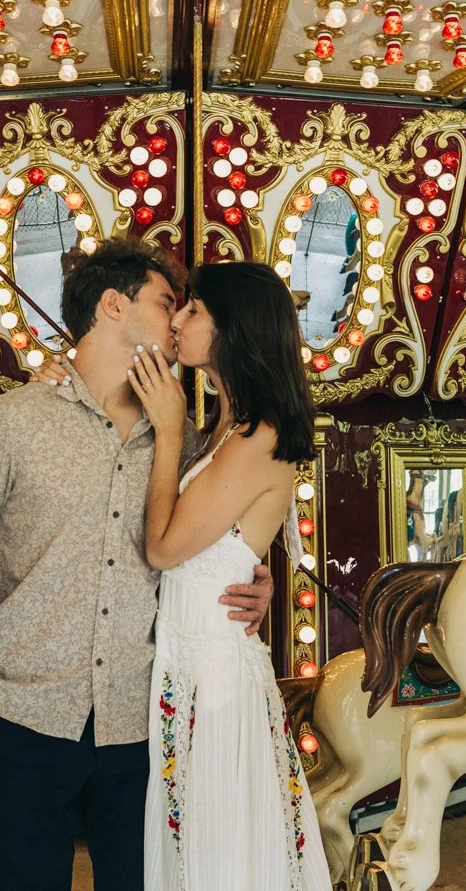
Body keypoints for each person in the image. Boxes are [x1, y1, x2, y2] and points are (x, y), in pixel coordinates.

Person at [0, 238, 275, 891]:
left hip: (140, 722)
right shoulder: (16, 420)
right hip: (24, 713)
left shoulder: (182, 440)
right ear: (114, 305)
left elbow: (209, 543)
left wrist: (250, 579)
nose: (178, 320)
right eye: (167, 302)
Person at [127, 261, 332, 891]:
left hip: (212, 680)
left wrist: (168, 430)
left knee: (217, 852)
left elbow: (162, 548)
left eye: (194, 310)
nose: (179, 320)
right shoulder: (227, 427)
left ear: (233, 329)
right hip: (187, 665)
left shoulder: (258, 437)